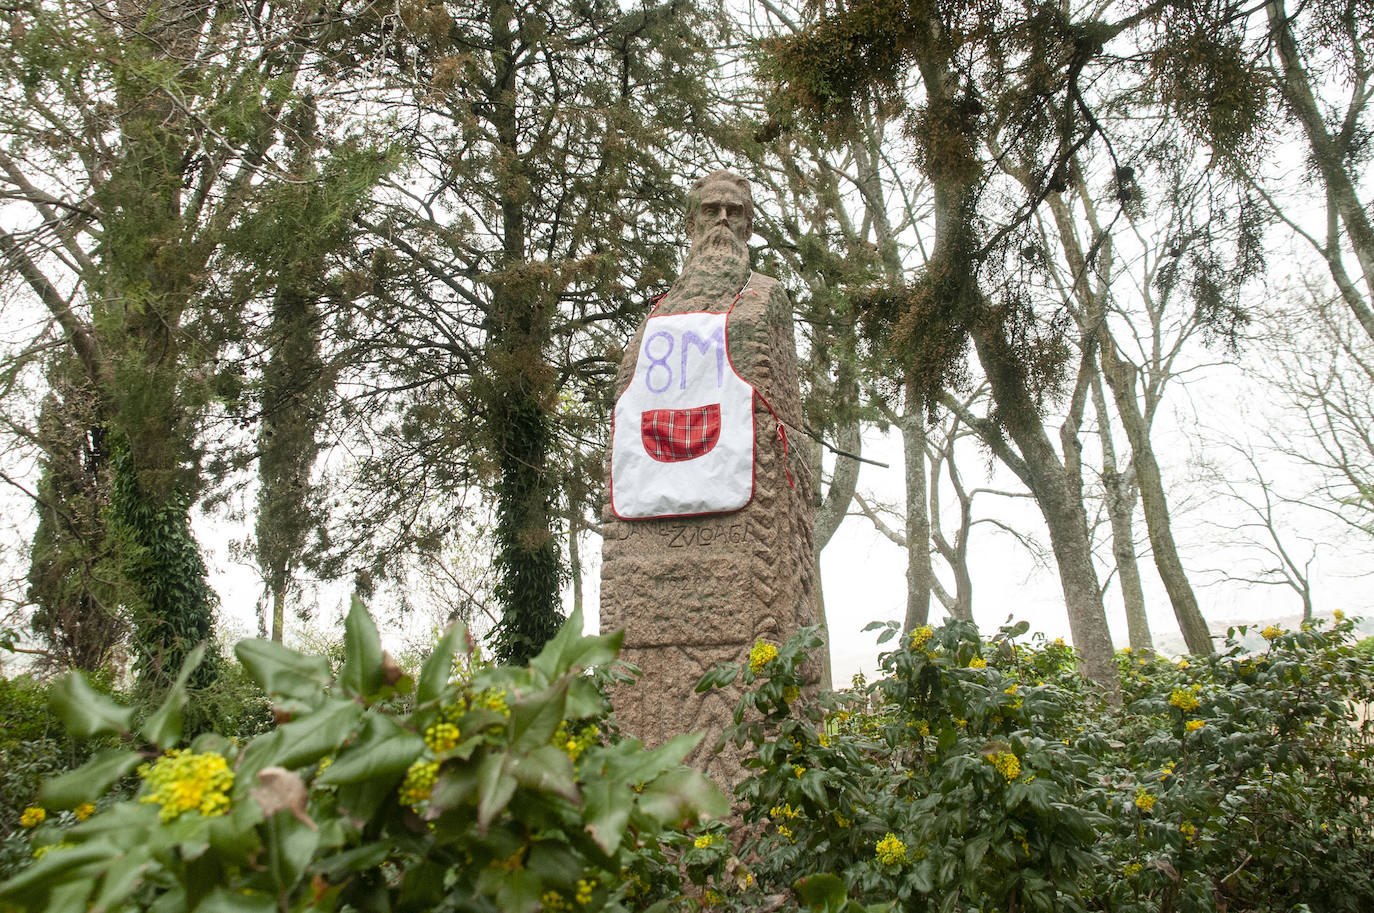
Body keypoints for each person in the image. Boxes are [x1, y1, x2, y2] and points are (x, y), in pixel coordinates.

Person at [599, 170, 828, 786]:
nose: (723, 222)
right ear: (690, 223)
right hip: (651, 563)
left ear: (751, 224)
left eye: (736, 211)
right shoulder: (654, 318)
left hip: (748, 555)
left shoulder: (765, 301)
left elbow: (790, 435)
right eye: (711, 211)